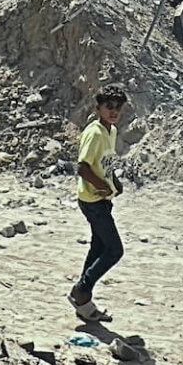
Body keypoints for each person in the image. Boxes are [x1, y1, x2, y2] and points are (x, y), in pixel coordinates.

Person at [70, 87, 128, 324]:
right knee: (114, 250)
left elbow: (105, 161)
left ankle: (84, 303)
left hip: (103, 199)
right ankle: (81, 290)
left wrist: (114, 181)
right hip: (93, 200)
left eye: (117, 108)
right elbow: (82, 167)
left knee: (98, 249)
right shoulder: (94, 132)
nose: (113, 112)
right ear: (98, 109)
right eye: (109, 107)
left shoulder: (110, 130)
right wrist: (102, 186)